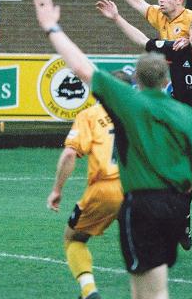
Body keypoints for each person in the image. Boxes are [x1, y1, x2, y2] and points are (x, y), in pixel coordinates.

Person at [34, 0, 192, 299]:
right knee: (153, 286)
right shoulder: (188, 114)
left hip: (142, 204)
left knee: (147, 290)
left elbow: (83, 68)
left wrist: (52, 28)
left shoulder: (128, 104)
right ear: (167, 81)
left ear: (138, 77)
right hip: (175, 204)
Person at [96, 0, 192, 249]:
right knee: (186, 179)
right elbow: (144, 42)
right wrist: (117, 19)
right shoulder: (176, 51)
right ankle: (185, 225)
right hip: (183, 125)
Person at [47, 70, 133, 299]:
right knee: (143, 252)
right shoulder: (139, 114)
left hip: (106, 189)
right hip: (140, 190)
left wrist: (57, 190)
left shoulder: (91, 115)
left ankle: (89, 291)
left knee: (73, 238)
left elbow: (69, 155)